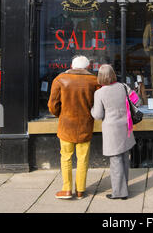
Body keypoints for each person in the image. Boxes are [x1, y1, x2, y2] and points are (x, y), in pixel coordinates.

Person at [48, 55, 100, 200]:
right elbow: (99, 104)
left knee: (66, 157)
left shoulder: (60, 79)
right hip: (85, 124)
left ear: (72, 65)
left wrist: (61, 114)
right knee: (83, 158)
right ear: (87, 67)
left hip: (66, 125)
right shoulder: (94, 81)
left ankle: (66, 189)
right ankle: (80, 190)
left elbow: (52, 106)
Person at [91, 64, 136, 200]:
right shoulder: (123, 87)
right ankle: (124, 188)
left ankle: (120, 193)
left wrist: (91, 109)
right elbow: (137, 101)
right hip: (126, 127)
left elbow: (98, 115)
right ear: (113, 74)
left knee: (116, 161)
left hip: (112, 130)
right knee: (124, 159)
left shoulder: (99, 93)